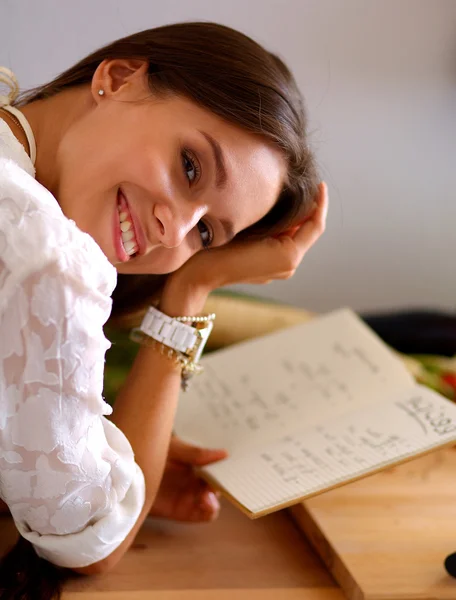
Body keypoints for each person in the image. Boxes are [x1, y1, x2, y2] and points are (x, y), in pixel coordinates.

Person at [0, 21, 328, 600]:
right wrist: (194, 288)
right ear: (119, 78)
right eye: (191, 167)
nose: (171, 230)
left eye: (206, 233)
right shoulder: (45, 259)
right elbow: (91, 543)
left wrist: (81, 452)